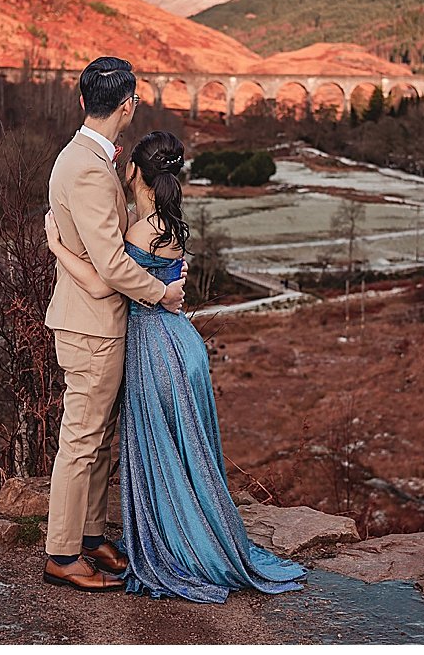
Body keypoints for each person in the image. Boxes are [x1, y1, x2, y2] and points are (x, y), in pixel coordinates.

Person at [45, 129, 308, 603]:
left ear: (135, 174)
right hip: (179, 344)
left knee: (160, 447)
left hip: (156, 349)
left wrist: (57, 246)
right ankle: (174, 531)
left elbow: (106, 282)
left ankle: (172, 543)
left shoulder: (137, 231)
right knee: (181, 447)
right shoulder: (167, 223)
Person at [42, 57, 188, 593]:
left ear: (85, 102)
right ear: (126, 106)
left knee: (100, 438)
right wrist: (163, 293)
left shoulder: (93, 158)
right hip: (92, 328)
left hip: (99, 322)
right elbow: (111, 266)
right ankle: (61, 552)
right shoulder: (85, 167)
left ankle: (88, 535)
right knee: (81, 439)